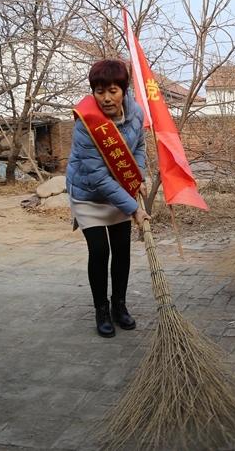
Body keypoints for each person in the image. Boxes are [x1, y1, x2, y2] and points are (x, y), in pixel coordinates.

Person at [66, 59, 150, 338]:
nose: (105, 98)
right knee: (100, 251)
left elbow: (139, 145)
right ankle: (101, 309)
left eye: (112, 90)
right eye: (99, 91)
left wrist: (138, 175)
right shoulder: (86, 124)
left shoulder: (135, 111)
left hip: (121, 189)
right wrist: (134, 208)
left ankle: (119, 306)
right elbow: (99, 178)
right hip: (89, 193)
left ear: (123, 90)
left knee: (122, 250)